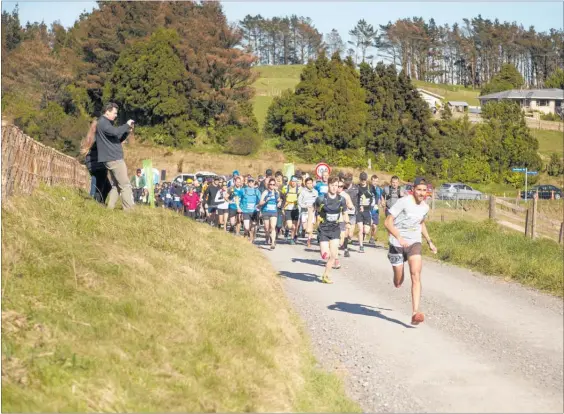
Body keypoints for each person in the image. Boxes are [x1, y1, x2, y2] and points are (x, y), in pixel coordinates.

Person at [384, 177, 437, 325]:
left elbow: (421, 224)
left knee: (416, 274)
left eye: (424, 190)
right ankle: (397, 277)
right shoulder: (404, 202)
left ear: (427, 192)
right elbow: (387, 222)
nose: (421, 193)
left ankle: (415, 313)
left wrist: (429, 241)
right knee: (399, 280)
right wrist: (398, 236)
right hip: (396, 243)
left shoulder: (425, 207)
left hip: (414, 242)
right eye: (419, 190)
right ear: (413, 190)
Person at [95, 102, 135, 210]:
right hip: (114, 158)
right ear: (107, 112)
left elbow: (117, 139)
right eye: (114, 113)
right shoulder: (103, 123)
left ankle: (110, 208)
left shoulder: (105, 123)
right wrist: (126, 125)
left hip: (111, 158)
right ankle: (130, 211)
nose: (116, 115)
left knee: (116, 185)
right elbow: (116, 132)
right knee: (125, 185)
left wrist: (127, 132)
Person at [315, 177, 348, 284]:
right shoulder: (321, 199)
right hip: (323, 229)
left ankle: (326, 275)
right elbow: (313, 210)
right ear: (328, 185)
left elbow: (344, 213)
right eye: (332, 185)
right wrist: (311, 224)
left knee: (334, 255)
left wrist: (347, 224)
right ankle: (326, 269)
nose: (334, 188)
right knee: (325, 255)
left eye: (336, 186)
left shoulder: (341, 199)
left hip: (335, 228)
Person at [79, 120, 112, 205]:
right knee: (100, 188)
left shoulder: (91, 137)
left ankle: (101, 203)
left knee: (107, 186)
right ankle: (98, 204)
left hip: (93, 166)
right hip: (99, 166)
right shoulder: (98, 138)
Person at [259, 178, 281, 250]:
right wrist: (266, 200)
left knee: (273, 227)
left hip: (273, 211)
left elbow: (279, 200)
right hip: (266, 211)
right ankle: (267, 236)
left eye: (273, 184)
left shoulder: (276, 192)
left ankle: (272, 243)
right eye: (270, 184)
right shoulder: (265, 192)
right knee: (266, 228)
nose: (272, 186)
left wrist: (279, 202)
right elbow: (260, 203)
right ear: (268, 185)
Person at [297, 176, 318, 248]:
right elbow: (299, 201)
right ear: (305, 184)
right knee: (305, 227)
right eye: (308, 183)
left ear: (312, 184)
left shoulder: (315, 192)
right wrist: (304, 206)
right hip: (304, 211)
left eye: (310, 183)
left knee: (311, 227)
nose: (309, 184)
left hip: (312, 212)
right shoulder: (303, 192)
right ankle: (303, 230)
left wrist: (315, 208)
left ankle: (309, 241)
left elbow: (317, 202)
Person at [239, 178, 262, 243]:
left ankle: (251, 239)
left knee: (253, 226)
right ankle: (246, 234)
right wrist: (239, 207)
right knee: (246, 227)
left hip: (254, 211)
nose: (251, 183)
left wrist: (259, 209)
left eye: (252, 181)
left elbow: (261, 200)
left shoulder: (256, 191)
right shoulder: (243, 190)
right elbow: (237, 197)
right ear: (247, 183)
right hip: (245, 211)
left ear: (254, 182)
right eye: (249, 181)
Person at [356, 172, 374, 253]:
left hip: (367, 211)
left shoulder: (370, 187)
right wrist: (358, 206)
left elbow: (375, 197)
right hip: (359, 211)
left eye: (364, 179)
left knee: (366, 230)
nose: (363, 181)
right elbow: (354, 199)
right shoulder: (357, 188)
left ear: (366, 179)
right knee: (360, 229)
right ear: (359, 179)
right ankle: (361, 246)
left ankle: (363, 235)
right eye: (361, 179)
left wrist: (374, 205)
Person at [281, 176, 300, 244]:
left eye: (295, 181)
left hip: (295, 209)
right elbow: (281, 197)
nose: (294, 183)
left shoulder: (299, 189)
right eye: (292, 181)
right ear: (290, 181)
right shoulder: (285, 188)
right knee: (289, 225)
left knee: (294, 226)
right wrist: (282, 206)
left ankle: (292, 239)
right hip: (288, 208)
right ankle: (286, 229)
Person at [369, 174, 383, 245]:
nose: (375, 182)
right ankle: (363, 234)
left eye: (376, 181)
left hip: (375, 208)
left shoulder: (379, 189)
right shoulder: (368, 188)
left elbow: (381, 199)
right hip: (368, 208)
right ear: (371, 181)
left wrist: (381, 205)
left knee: (375, 225)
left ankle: (372, 238)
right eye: (373, 181)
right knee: (369, 224)